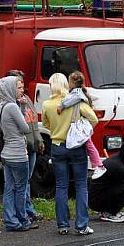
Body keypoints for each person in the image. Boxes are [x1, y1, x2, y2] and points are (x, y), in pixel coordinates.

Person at [42, 72, 99, 235]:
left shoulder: (47, 105)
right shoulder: (77, 102)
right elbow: (94, 119)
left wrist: (56, 129)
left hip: (57, 146)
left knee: (61, 185)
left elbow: (46, 124)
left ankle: (62, 225)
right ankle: (81, 225)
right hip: (76, 147)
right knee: (81, 185)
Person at [0, 75, 38, 232]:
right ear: (10, 89)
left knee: (9, 188)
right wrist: (21, 107)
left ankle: (10, 219)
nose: (19, 90)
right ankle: (22, 220)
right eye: (16, 87)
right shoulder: (12, 107)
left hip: (6, 153)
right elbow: (25, 127)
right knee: (21, 188)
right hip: (18, 154)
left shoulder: (1, 105)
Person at [6, 69, 44, 223]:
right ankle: (23, 212)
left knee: (26, 180)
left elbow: (33, 122)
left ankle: (27, 209)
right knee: (18, 184)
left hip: (32, 146)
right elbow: (20, 127)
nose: (21, 88)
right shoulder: (11, 105)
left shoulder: (27, 99)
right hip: (20, 148)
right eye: (18, 84)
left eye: (22, 84)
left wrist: (39, 139)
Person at [58, 71, 105, 175]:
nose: (68, 84)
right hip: (83, 125)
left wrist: (62, 105)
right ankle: (97, 165)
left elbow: (73, 99)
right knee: (87, 144)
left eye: (69, 82)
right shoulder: (81, 92)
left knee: (88, 144)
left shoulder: (77, 93)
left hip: (81, 125)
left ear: (73, 83)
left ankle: (98, 165)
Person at [88, 137, 124, 222]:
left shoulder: (119, 159)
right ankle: (109, 213)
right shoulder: (118, 166)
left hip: (98, 195)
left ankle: (109, 210)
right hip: (96, 200)